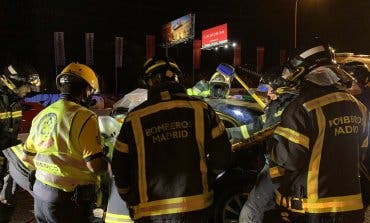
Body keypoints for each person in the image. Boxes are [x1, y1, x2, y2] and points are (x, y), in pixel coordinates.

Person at [111, 56, 232, 223]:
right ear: (177, 78)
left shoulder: (134, 118)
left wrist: (130, 198)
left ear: (150, 82)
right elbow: (223, 157)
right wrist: (206, 179)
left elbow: (119, 168)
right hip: (197, 211)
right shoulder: (202, 109)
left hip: (150, 215)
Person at [269, 38, 369, 223]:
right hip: (352, 208)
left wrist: (271, 145)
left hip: (313, 210)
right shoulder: (359, 108)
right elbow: (361, 154)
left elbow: (289, 159)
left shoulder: (302, 108)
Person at [21, 62, 108, 223]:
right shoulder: (85, 116)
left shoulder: (42, 115)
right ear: (86, 90)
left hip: (40, 195)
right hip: (69, 200)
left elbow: (27, 158)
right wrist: (110, 164)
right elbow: (94, 166)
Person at [227, 68, 298, 223]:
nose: (267, 95)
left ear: (280, 91)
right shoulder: (282, 107)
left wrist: (230, 140)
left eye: (269, 90)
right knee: (270, 210)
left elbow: (261, 132)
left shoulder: (283, 109)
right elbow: (255, 127)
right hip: (281, 166)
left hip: (279, 168)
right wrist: (227, 133)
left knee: (251, 210)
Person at [0, 63, 41, 222]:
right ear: (13, 82)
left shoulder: (14, 102)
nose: (29, 91)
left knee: (7, 204)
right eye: (27, 86)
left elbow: (10, 136)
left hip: (6, 164)